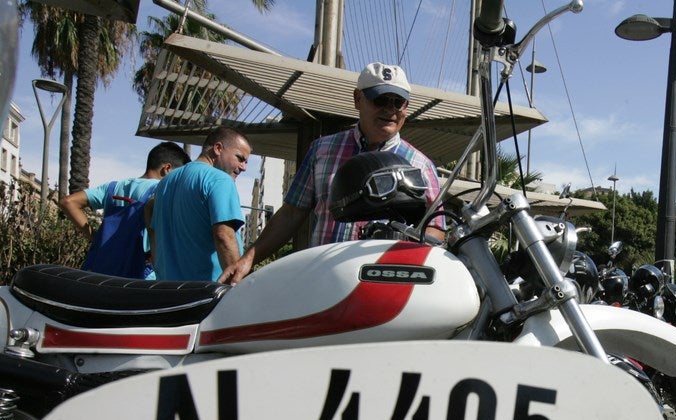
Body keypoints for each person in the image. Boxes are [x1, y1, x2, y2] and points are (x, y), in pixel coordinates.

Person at [218, 62, 443, 285]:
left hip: (384, 289)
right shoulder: (322, 150)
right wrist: (248, 260)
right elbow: (291, 213)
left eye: (398, 102)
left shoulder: (420, 165)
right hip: (324, 285)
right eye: (381, 100)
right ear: (358, 99)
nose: (390, 110)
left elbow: (436, 227)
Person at [59, 142, 190, 279]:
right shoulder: (162, 190)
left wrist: (95, 237)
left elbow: (68, 202)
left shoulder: (113, 187)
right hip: (141, 275)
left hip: (104, 272)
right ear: (167, 168)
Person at [149, 127, 251, 281]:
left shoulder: (165, 183)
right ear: (218, 148)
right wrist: (239, 285)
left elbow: (154, 233)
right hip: (205, 293)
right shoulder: (220, 180)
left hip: (167, 290)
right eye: (240, 158)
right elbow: (224, 236)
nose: (244, 167)